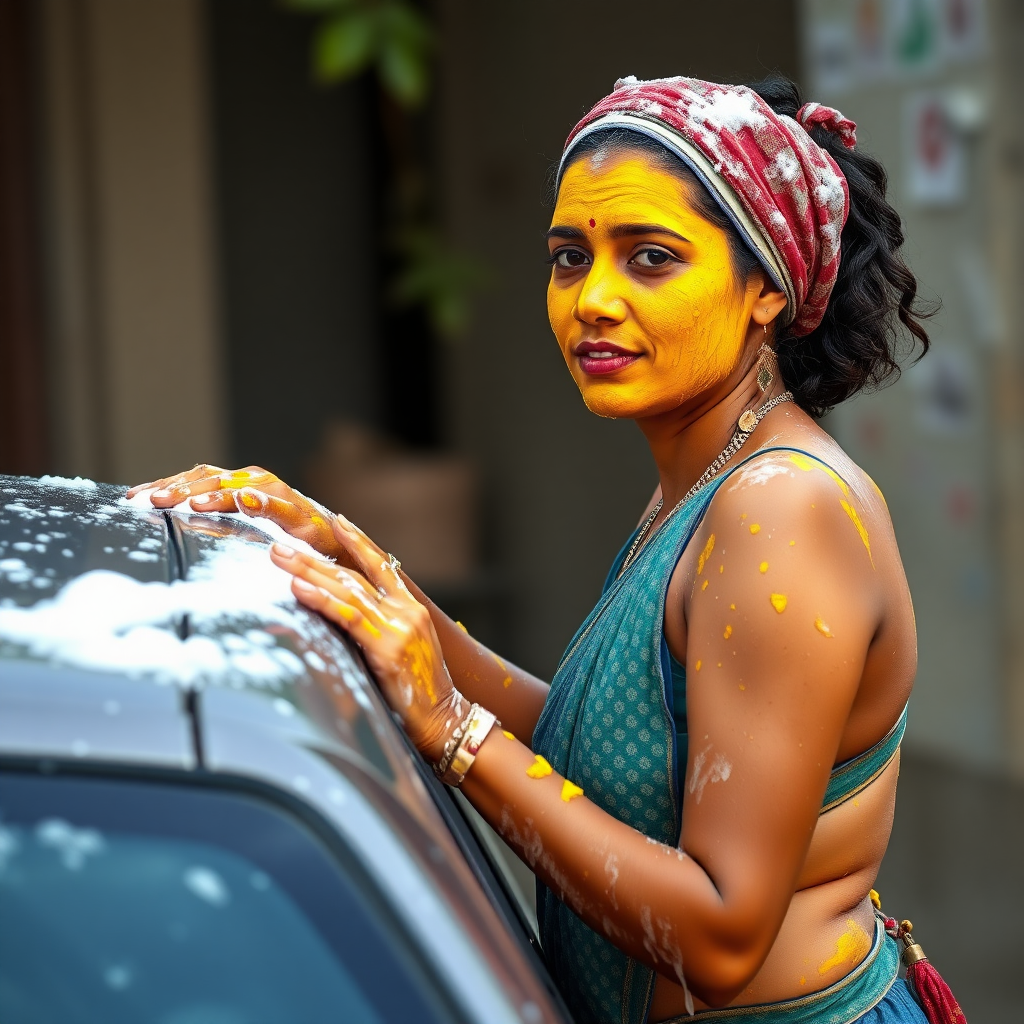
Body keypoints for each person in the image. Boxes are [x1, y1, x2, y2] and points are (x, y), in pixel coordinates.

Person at [130, 76, 962, 1023]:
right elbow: (593, 743)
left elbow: (722, 940)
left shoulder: (781, 510)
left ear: (765, 287)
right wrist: (359, 568)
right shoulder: (707, 478)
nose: (593, 299)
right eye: (570, 258)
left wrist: (453, 733)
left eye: (651, 258)